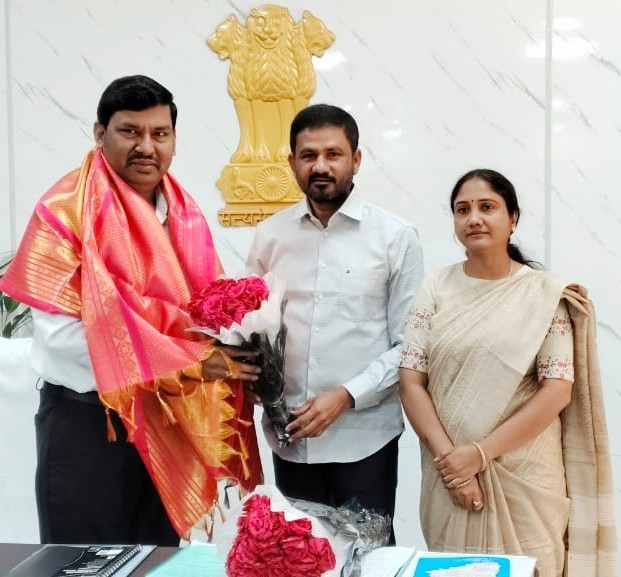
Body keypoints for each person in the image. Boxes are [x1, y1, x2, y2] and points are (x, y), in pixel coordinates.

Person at [0, 75, 263, 546]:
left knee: (155, 560)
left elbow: (201, 316)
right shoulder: (64, 212)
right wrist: (189, 362)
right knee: (82, 563)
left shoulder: (184, 215)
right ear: (100, 133)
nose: (147, 146)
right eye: (130, 132)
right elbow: (60, 342)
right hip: (89, 425)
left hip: (167, 420)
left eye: (160, 133)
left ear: (174, 140)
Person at [398, 169, 616, 577]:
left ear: (512, 219)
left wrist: (479, 454)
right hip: (449, 478)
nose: (474, 218)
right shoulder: (435, 287)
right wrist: (454, 467)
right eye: (462, 209)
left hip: (525, 476)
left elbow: (557, 391)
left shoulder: (544, 294)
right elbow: (411, 381)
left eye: (487, 207)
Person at [246, 104, 424, 542]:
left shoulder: (394, 237)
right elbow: (251, 326)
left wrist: (346, 396)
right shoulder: (270, 236)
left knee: (368, 558)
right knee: (299, 559)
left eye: (333, 154)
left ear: (356, 160)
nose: (321, 166)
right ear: (292, 163)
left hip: (365, 438)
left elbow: (411, 347)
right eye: (308, 155)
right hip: (290, 440)